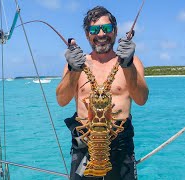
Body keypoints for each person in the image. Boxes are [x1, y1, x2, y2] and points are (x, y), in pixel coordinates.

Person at [56, 6, 149, 180]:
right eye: (94, 29)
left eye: (106, 28)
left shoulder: (132, 61)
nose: (101, 34)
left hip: (120, 149)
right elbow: (61, 100)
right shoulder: (77, 63)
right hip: (85, 148)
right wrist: (74, 69)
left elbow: (142, 99)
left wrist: (127, 65)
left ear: (115, 31)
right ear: (86, 34)